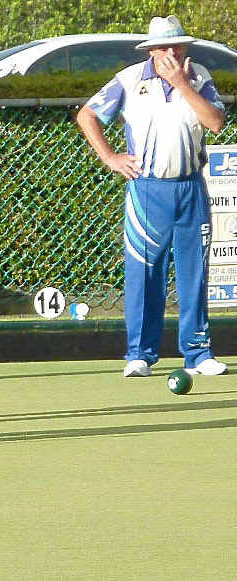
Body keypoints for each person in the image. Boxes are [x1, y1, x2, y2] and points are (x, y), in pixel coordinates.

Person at [77, 15, 228, 378]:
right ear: (151, 50)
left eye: (177, 46)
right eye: (164, 47)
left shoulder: (200, 76)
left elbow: (216, 122)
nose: (171, 53)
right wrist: (110, 157)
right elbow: (87, 115)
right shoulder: (129, 80)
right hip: (147, 189)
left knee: (194, 271)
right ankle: (140, 354)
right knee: (145, 272)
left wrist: (182, 84)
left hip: (190, 186)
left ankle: (198, 352)